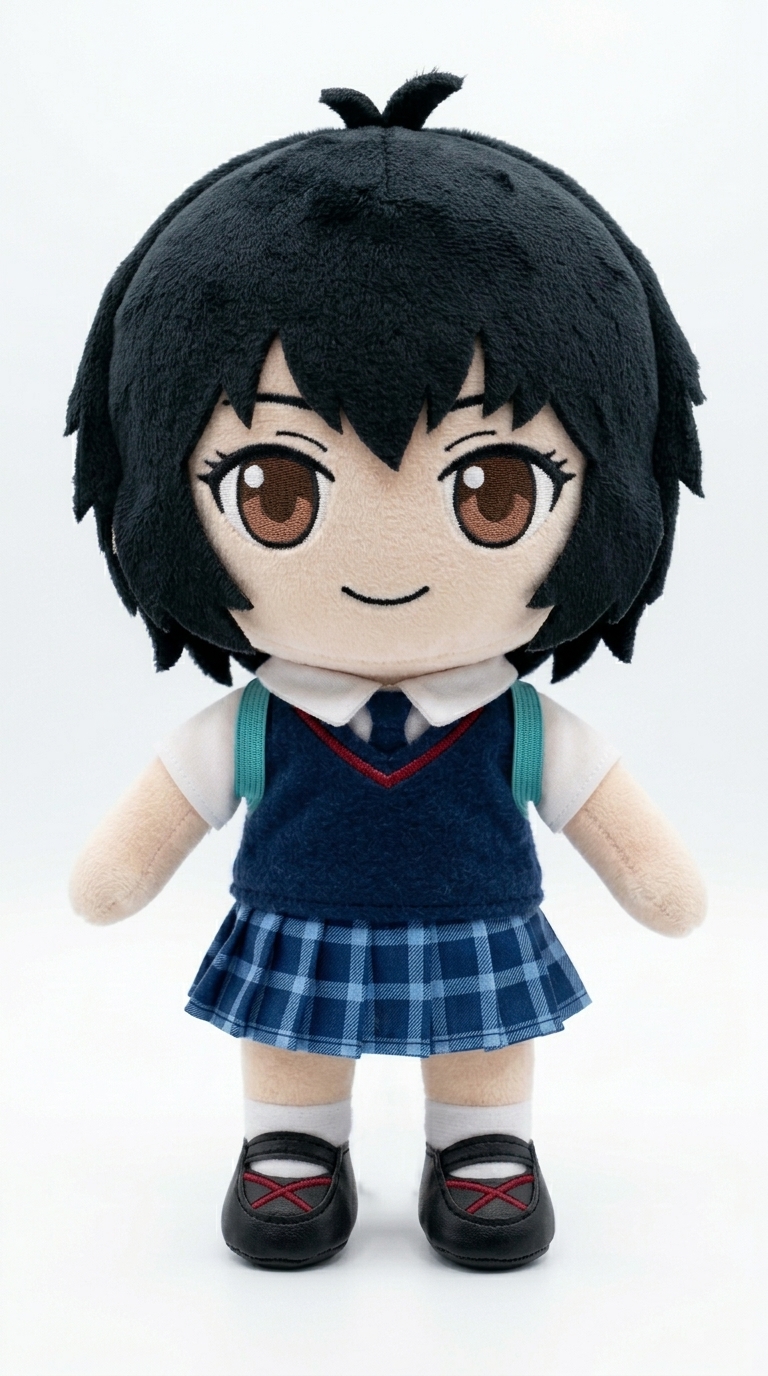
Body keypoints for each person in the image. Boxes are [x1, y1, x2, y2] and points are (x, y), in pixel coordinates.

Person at [67, 72, 706, 1270]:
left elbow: (635, 849)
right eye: (276, 489)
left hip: (476, 921)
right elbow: (135, 848)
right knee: (293, 1047)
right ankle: (294, 1143)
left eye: (494, 489)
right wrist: (114, 873)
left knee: (483, 1049)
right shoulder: (256, 721)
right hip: (299, 919)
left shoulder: (520, 723)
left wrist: (660, 881)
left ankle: (482, 1146)